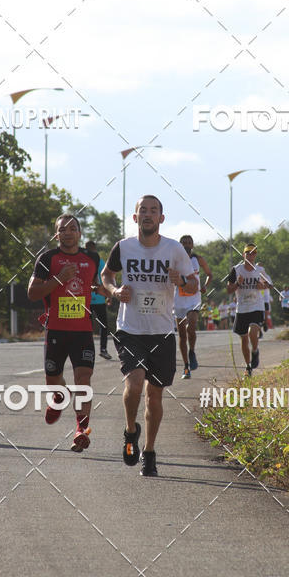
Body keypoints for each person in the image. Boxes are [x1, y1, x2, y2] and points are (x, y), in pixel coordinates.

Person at [102, 195, 197, 476]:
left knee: (154, 397)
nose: (148, 214)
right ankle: (131, 431)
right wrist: (115, 291)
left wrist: (181, 281)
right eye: (143, 210)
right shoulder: (124, 247)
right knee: (134, 384)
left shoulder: (175, 249)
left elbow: (193, 285)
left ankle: (150, 451)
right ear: (135, 218)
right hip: (130, 329)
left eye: (153, 211)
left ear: (161, 219)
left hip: (162, 332)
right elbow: (106, 275)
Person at [28, 215, 106, 453]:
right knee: (54, 381)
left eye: (73, 229)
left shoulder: (92, 258)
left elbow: (98, 284)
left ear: (80, 233)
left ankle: (81, 430)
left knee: (83, 380)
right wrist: (60, 279)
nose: (69, 233)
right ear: (57, 234)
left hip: (82, 331)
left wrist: (114, 292)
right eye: (63, 229)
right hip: (56, 331)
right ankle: (58, 397)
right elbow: (32, 292)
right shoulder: (47, 258)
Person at [227, 243, 271, 378]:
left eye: (253, 253)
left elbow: (270, 284)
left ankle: (255, 350)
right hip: (241, 308)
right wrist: (238, 284)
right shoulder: (236, 270)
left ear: (255, 255)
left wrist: (262, 285)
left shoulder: (259, 270)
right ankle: (248, 366)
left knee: (252, 330)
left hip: (256, 306)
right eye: (247, 253)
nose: (250, 255)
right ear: (243, 254)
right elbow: (229, 290)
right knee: (244, 339)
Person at [173, 235, 212, 379]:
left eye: (189, 242)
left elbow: (209, 274)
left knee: (192, 324)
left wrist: (205, 286)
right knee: (182, 335)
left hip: (194, 299)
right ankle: (186, 366)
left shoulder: (198, 259)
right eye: (184, 243)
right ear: (180, 245)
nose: (187, 245)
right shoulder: (174, 259)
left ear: (193, 245)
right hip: (178, 301)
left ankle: (192, 351)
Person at [85, 239, 112, 359]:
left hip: (86, 300)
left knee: (86, 326)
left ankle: (87, 350)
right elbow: (107, 280)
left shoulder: (83, 262)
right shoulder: (101, 262)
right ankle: (103, 349)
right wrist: (109, 296)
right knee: (103, 325)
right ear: (95, 248)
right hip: (100, 299)